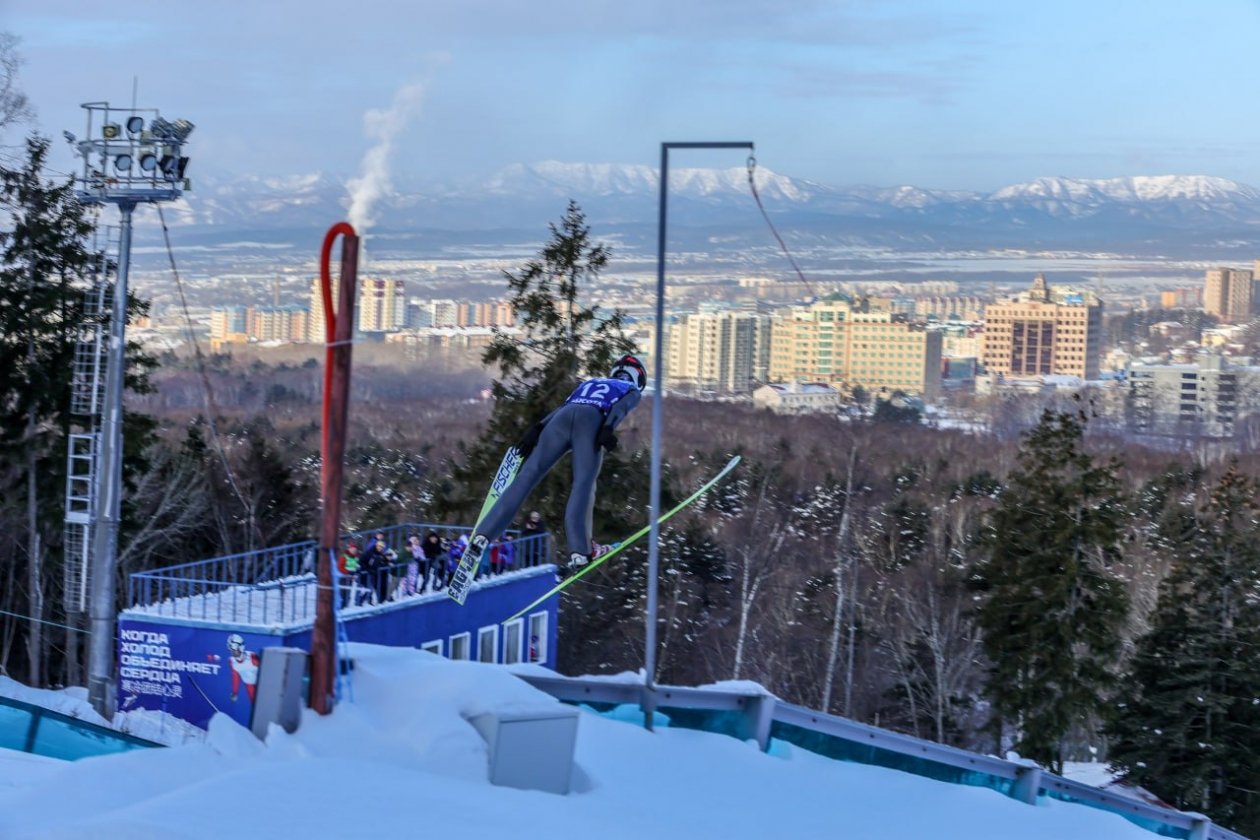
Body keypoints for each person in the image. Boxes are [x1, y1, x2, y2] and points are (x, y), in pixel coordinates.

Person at [464, 354, 645, 573]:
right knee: (583, 484)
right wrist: (607, 428)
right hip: (590, 422)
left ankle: (483, 536)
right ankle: (581, 550)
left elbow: (563, 408)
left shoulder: (590, 382)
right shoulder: (631, 389)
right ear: (637, 378)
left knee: (527, 476)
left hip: (560, 421)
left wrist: (535, 431)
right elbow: (619, 409)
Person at [359, 532, 397, 605]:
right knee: (375, 588)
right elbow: (362, 561)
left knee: (384, 587)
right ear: (376, 545)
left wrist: (390, 562)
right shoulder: (369, 552)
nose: (380, 548)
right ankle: (372, 602)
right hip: (373, 573)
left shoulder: (382, 553)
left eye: (381, 547)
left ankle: (383, 601)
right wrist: (368, 569)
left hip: (381, 573)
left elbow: (386, 559)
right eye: (379, 546)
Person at [336, 540, 361, 608]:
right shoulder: (344, 556)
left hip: (350, 577)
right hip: (343, 577)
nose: (353, 550)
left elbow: (356, 566)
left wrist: (356, 571)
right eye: (352, 549)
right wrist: (347, 572)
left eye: (355, 549)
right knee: (343, 593)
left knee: (348, 592)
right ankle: (341, 607)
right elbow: (339, 567)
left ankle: (346, 606)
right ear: (349, 549)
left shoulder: (356, 557)